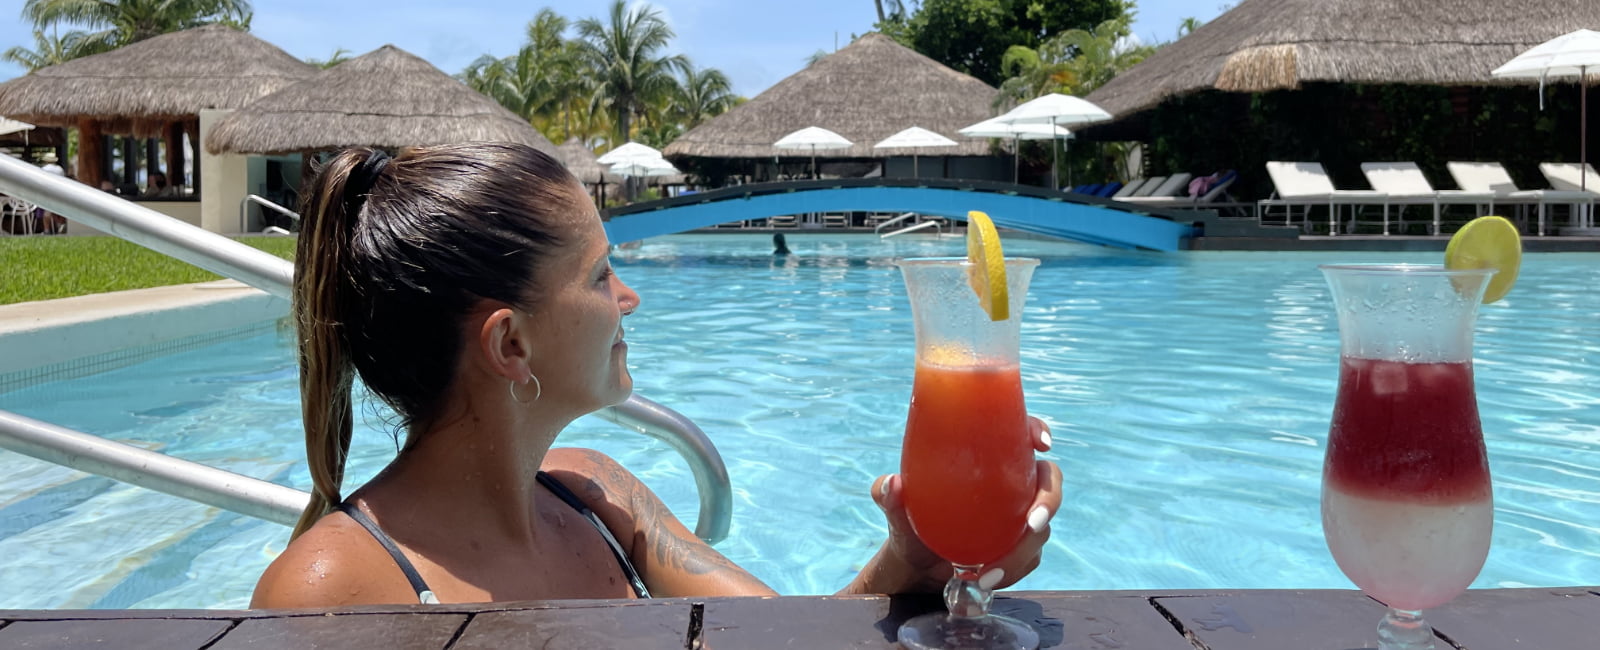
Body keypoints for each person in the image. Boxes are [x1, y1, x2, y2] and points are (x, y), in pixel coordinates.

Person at [251, 143, 1061, 608]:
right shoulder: (331, 590)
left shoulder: (600, 496)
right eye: (602, 275)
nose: (629, 298)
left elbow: (788, 643)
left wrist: (907, 564)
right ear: (511, 347)